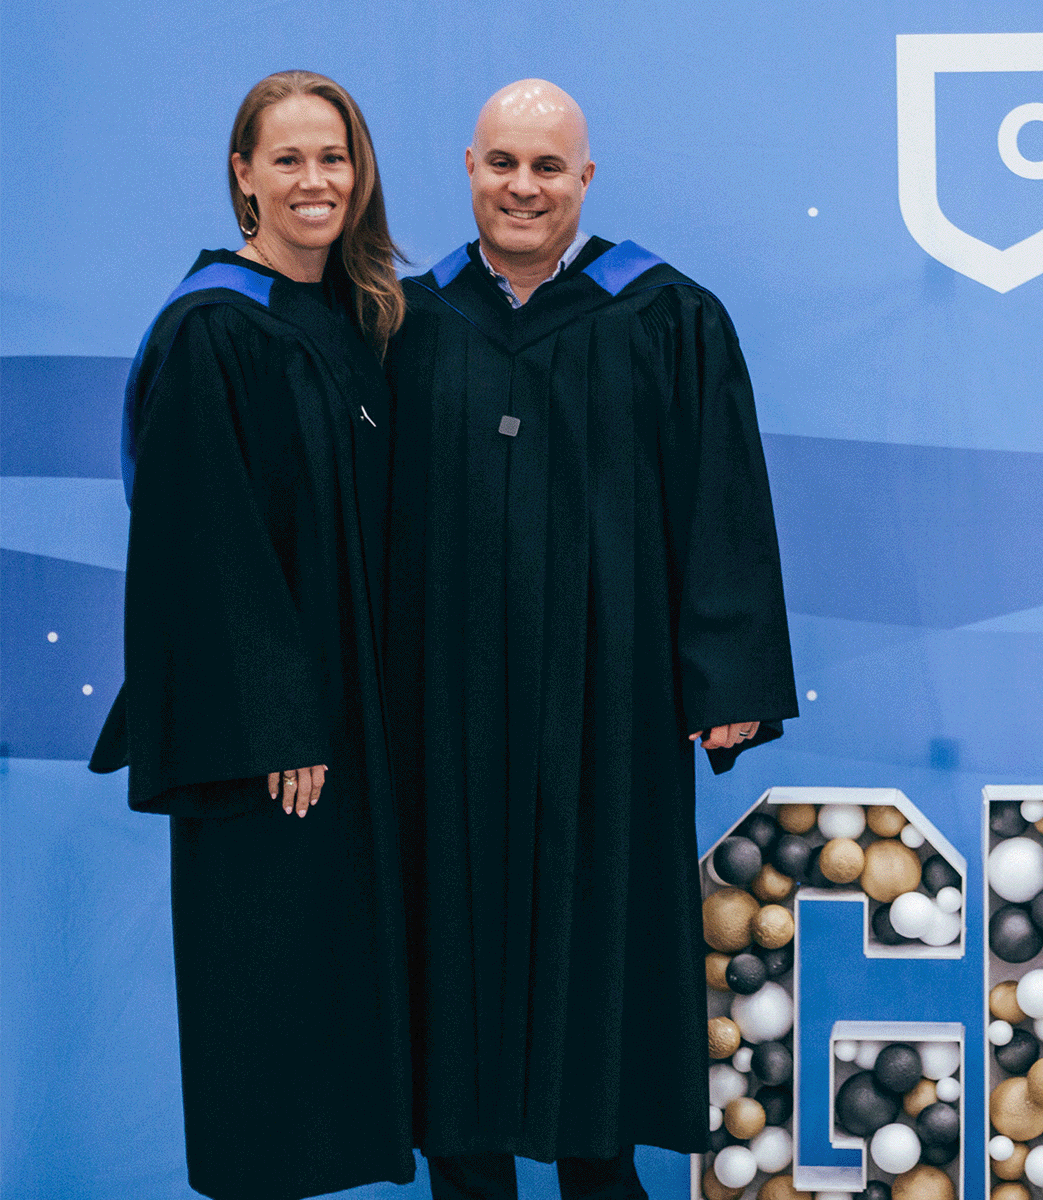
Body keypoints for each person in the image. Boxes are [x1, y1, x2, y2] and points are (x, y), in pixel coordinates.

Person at [384, 79, 797, 1199]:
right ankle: (467, 1176)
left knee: (597, 951)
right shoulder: (409, 322)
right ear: (469, 166)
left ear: (585, 178)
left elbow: (721, 496)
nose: (524, 187)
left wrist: (727, 675)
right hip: (446, 710)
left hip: (606, 709)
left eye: (548, 167)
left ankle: (600, 1174)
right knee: (454, 955)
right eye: (503, 163)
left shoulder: (664, 315)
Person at [88, 71, 415, 1198]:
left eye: (334, 158)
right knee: (266, 1019)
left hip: (350, 730)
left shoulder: (353, 318)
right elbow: (204, 545)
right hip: (276, 749)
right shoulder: (215, 329)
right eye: (289, 160)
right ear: (243, 176)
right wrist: (282, 723)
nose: (316, 181)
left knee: (332, 1013)